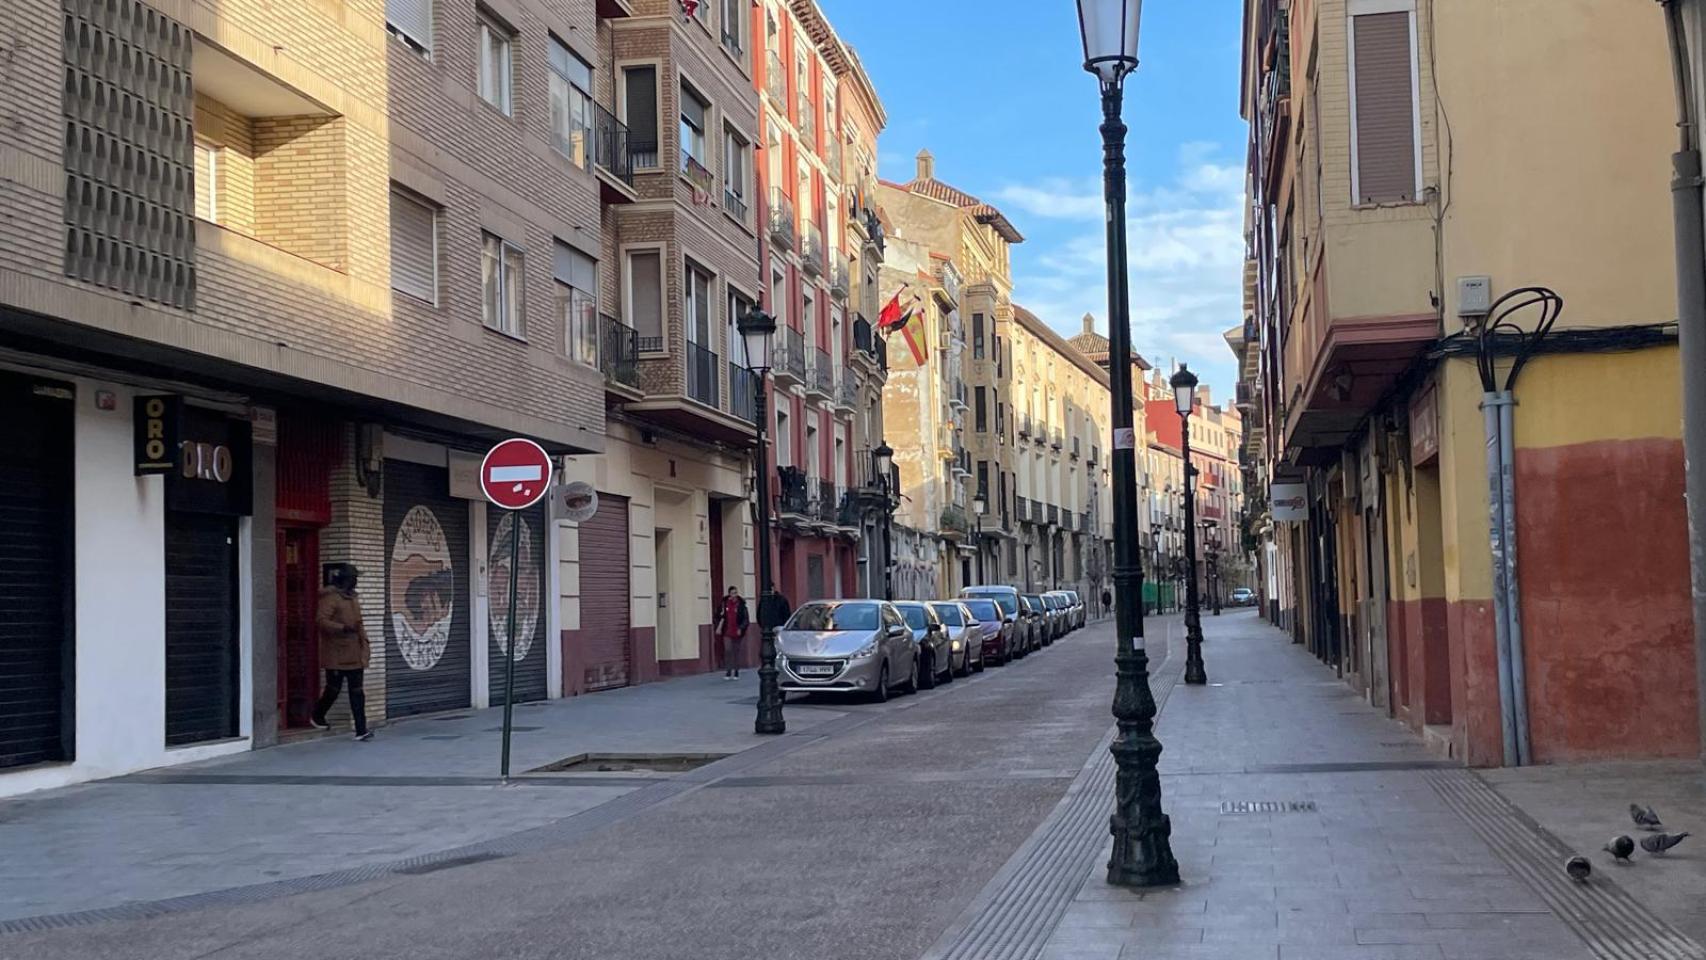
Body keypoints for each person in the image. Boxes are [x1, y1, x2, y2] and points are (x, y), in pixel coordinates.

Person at [312, 563, 373, 740]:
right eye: (354, 578)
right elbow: (321, 620)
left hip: (354, 652)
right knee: (333, 689)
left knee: (357, 691)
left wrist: (365, 645)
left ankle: (361, 730)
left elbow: (359, 624)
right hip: (337, 653)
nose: (356, 581)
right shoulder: (331, 598)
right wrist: (342, 628)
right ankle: (317, 714)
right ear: (346, 579)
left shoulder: (353, 598)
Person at [714, 585, 750, 680]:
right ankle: (728, 671)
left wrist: (741, 628)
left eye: (736, 593)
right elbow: (718, 615)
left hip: (737, 632)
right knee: (728, 650)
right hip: (727, 631)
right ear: (729, 594)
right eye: (733, 593)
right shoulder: (724, 604)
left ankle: (736, 671)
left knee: (736, 651)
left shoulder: (741, 605)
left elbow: (746, 619)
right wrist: (719, 625)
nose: (734, 595)